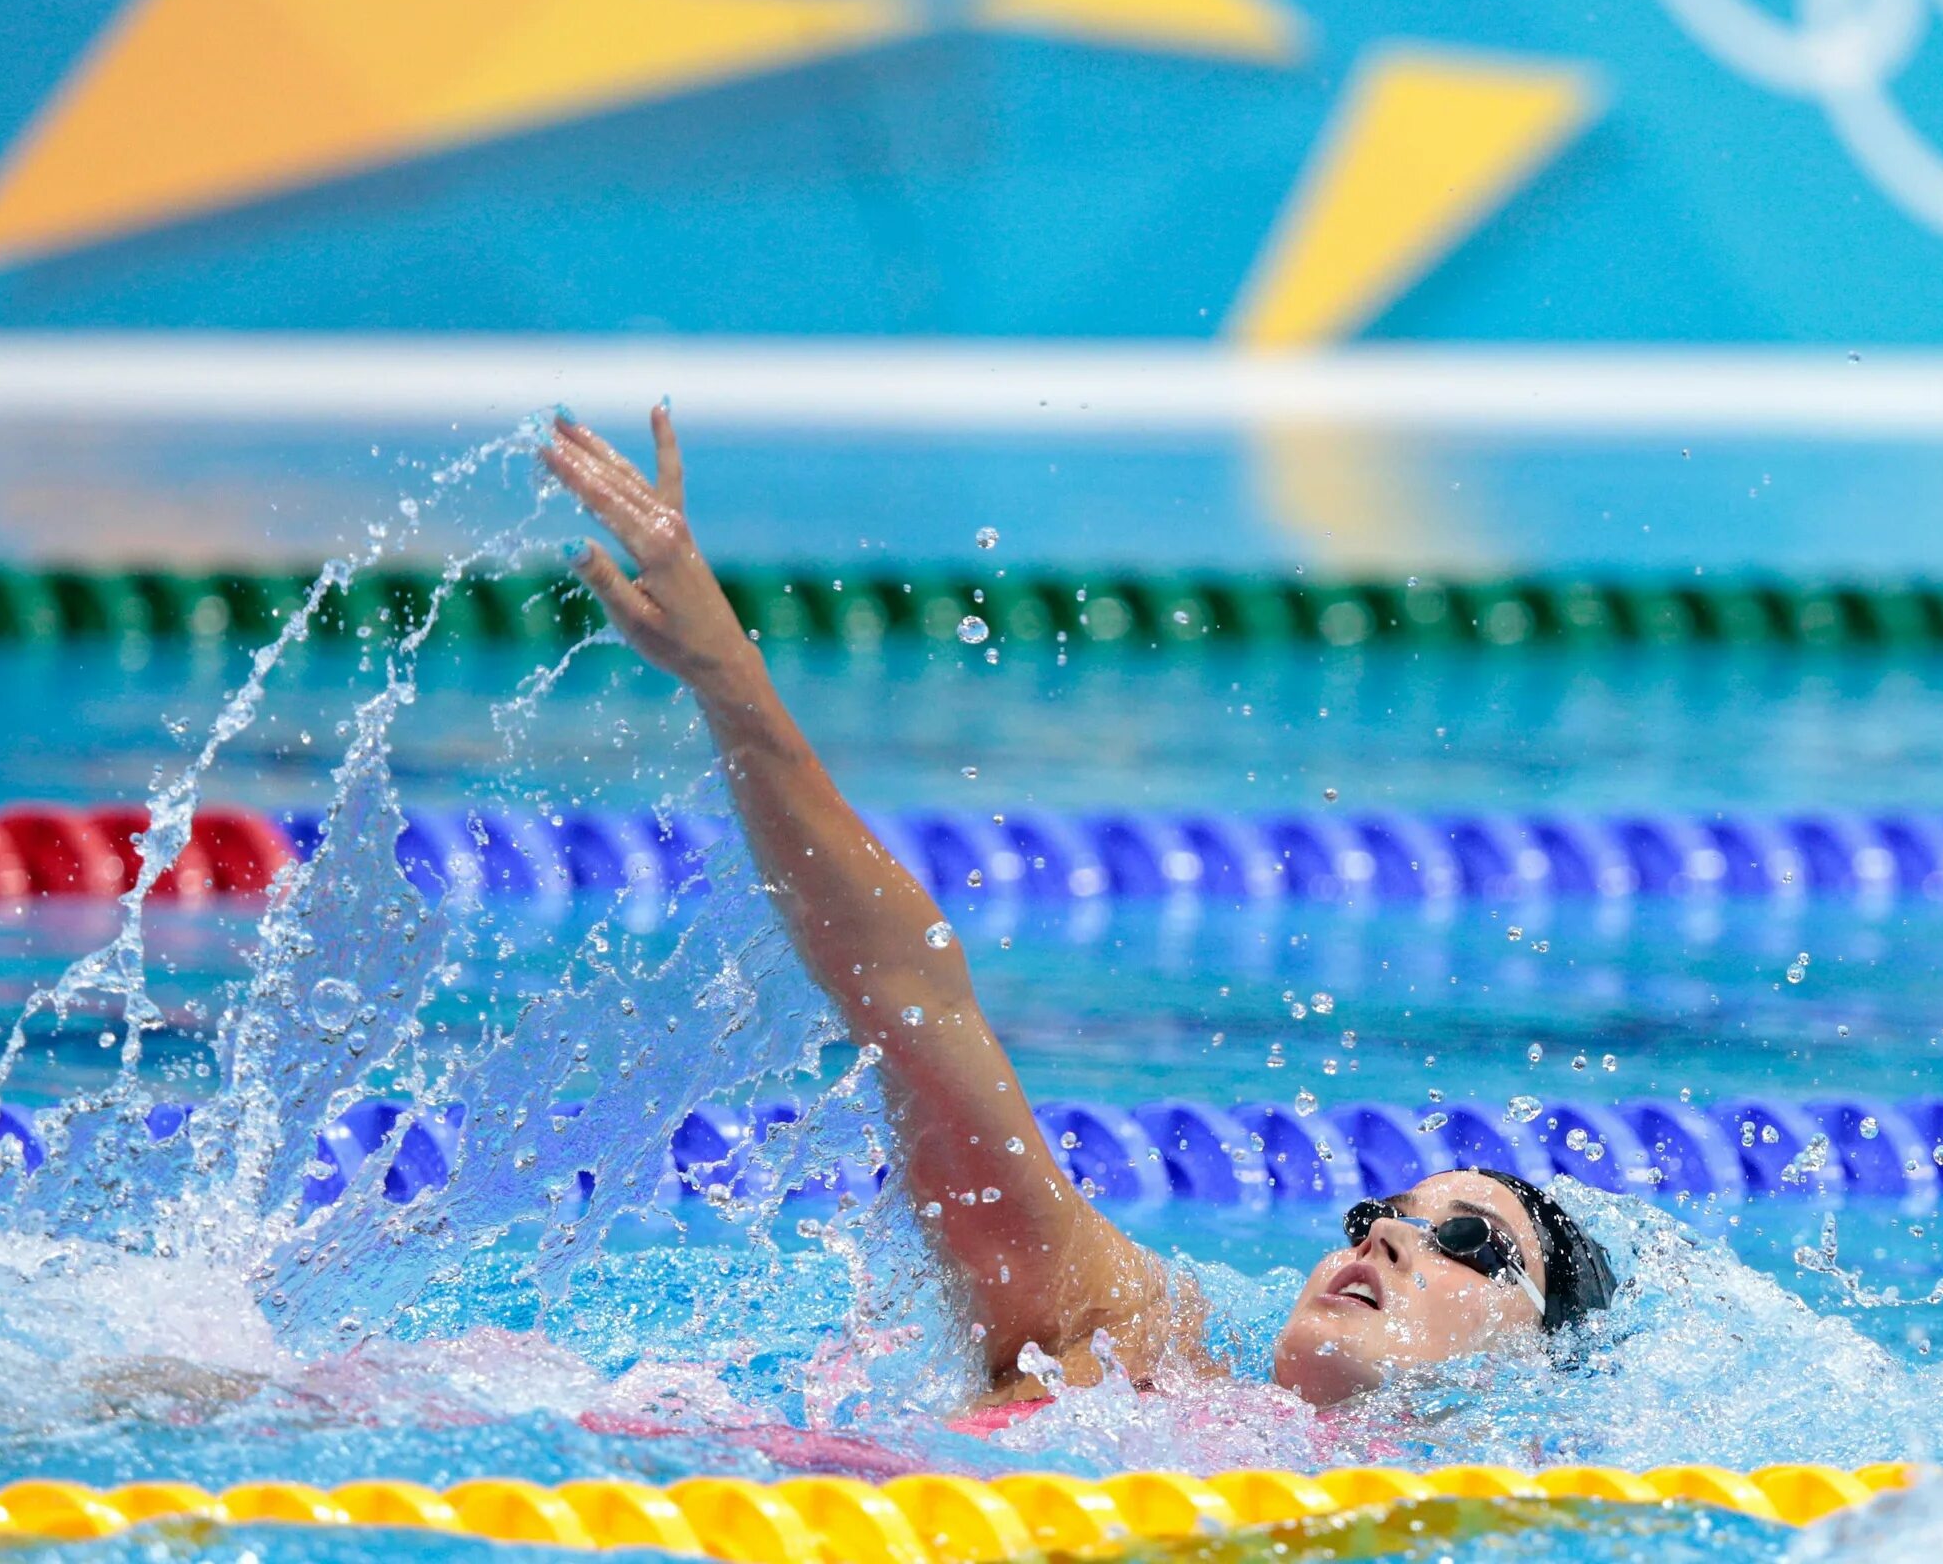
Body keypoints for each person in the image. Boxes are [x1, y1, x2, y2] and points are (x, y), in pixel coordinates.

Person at [544, 406, 1615, 1416]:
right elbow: (916, 1001)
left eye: (1469, 1240)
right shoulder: (1124, 1352)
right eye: (1377, 1214)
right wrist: (728, 672)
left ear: (1538, 1365)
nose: (1382, 1236)